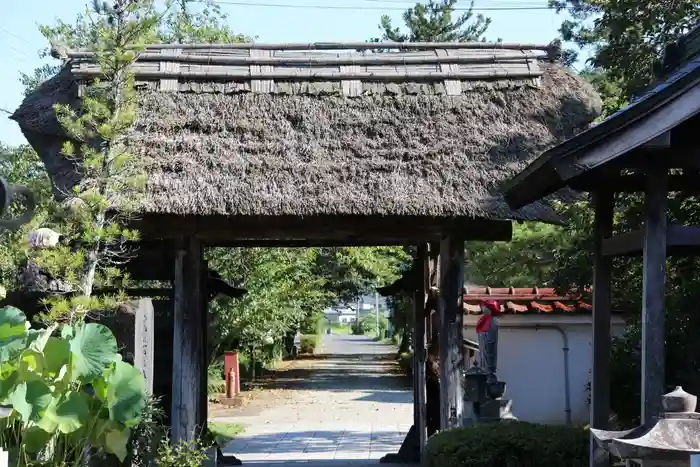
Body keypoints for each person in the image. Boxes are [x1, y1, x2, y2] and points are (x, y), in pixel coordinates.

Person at [476, 299, 501, 382]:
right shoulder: (483, 319)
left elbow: (492, 337)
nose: (482, 309)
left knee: (489, 357)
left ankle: (489, 372)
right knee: (483, 356)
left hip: (489, 344)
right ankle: (484, 369)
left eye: (484, 307)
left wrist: (485, 335)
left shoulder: (494, 320)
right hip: (483, 343)